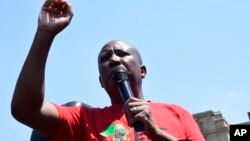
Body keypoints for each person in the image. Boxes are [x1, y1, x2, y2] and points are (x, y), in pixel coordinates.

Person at [11, 0, 205, 140]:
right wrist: (44, 34)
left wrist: (156, 133)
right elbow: (25, 109)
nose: (113, 59)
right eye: (105, 58)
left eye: (122, 54)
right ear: (101, 81)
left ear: (143, 71)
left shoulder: (177, 114)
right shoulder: (83, 120)